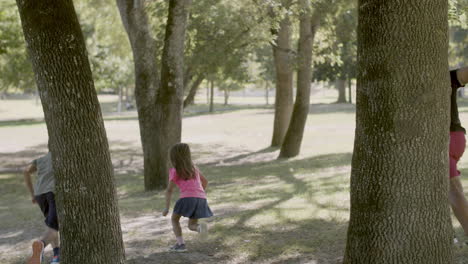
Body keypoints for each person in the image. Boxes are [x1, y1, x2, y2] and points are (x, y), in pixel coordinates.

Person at [162, 143, 213, 252]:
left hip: (187, 198)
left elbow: (169, 190)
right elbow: (205, 182)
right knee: (192, 225)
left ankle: (180, 245)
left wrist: (166, 208)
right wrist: (199, 194)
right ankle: (200, 228)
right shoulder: (194, 168)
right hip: (201, 199)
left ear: (173, 157)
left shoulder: (175, 170)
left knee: (174, 219)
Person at [24, 152, 60, 263]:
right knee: (54, 228)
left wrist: (32, 194)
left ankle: (56, 256)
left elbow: (26, 171)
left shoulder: (41, 159)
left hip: (40, 194)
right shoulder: (64, 154)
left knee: (51, 225)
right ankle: (41, 244)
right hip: (53, 193)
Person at [449, 66, 468, 244]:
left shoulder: (445, 77)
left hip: (448, 139)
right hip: (456, 138)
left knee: (453, 190)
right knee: (444, 188)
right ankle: (446, 232)